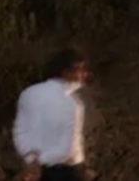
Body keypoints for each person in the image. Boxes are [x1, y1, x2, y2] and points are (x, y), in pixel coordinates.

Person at [12, 48, 94, 181]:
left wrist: (30, 159)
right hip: (66, 170)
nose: (84, 74)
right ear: (67, 71)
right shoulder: (73, 102)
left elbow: (21, 131)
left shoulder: (31, 93)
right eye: (81, 69)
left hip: (43, 168)